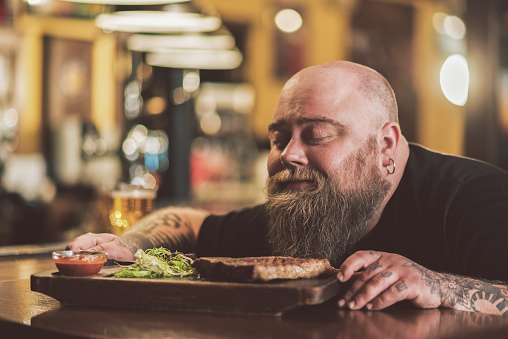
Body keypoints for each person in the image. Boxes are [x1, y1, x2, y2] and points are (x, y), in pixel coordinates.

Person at [67, 61, 508, 316]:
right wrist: (129, 243)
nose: (288, 155)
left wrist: (441, 286)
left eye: (316, 135)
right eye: (278, 138)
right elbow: (187, 222)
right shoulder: (307, 207)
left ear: (386, 144)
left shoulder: (476, 199)